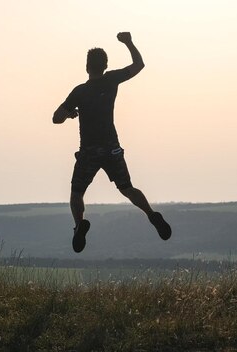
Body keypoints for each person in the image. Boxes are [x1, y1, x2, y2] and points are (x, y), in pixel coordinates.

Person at [53, 32, 171, 253]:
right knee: (127, 188)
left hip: (89, 151)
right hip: (112, 149)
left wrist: (70, 114)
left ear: (87, 67)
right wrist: (128, 42)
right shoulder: (111, 80)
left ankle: (79, 226)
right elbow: (139, 64)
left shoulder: (80, 91)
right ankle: (152, 214)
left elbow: (55, 118)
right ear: (105, 66)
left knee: (77, 193)